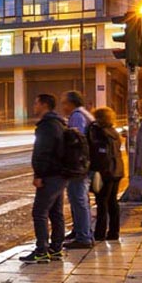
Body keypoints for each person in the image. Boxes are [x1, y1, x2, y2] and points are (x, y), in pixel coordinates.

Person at [22, 93, 67, 264]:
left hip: (50, 175)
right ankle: (56, 249)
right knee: (56, 213)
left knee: (39, 212)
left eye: (36, 103)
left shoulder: (47, 125)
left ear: (44, 105)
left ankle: (41, 250)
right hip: (60, 174)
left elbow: (43, 152)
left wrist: (39, 174)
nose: (34, 106)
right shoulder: (60, 123)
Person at [60, 90, 95, 248]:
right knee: (80, 200)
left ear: (71, 103)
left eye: (64, 103)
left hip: (79, 166)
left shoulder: (77, 116)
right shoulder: (85, 114)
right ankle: (80, 231)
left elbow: (75, 142)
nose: (62, 106)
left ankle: (83, 237)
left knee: (78, 200)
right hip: (85, 164)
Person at [87, 107, 124, 241]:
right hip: (117, 170)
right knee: (112, 202)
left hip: (105, 171)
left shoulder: (99, 133)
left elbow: (100, 154)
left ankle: (100, 233)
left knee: (102, 203)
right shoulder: (114, 132)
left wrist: (95, 170)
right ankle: (114, 232)